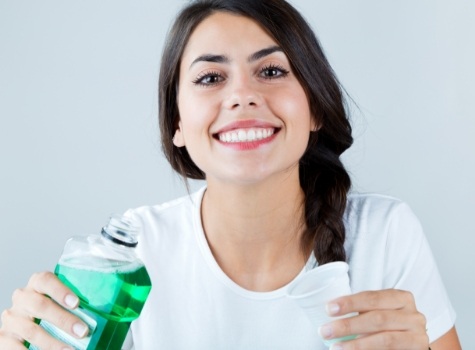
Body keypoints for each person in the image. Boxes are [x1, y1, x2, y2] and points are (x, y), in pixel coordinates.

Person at [0, 0, 462, 349]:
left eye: (272, 70)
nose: (242, 95)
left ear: (316, 108)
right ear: (177, 123)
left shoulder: (386, 234)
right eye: (210, 78)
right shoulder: (128, 255)